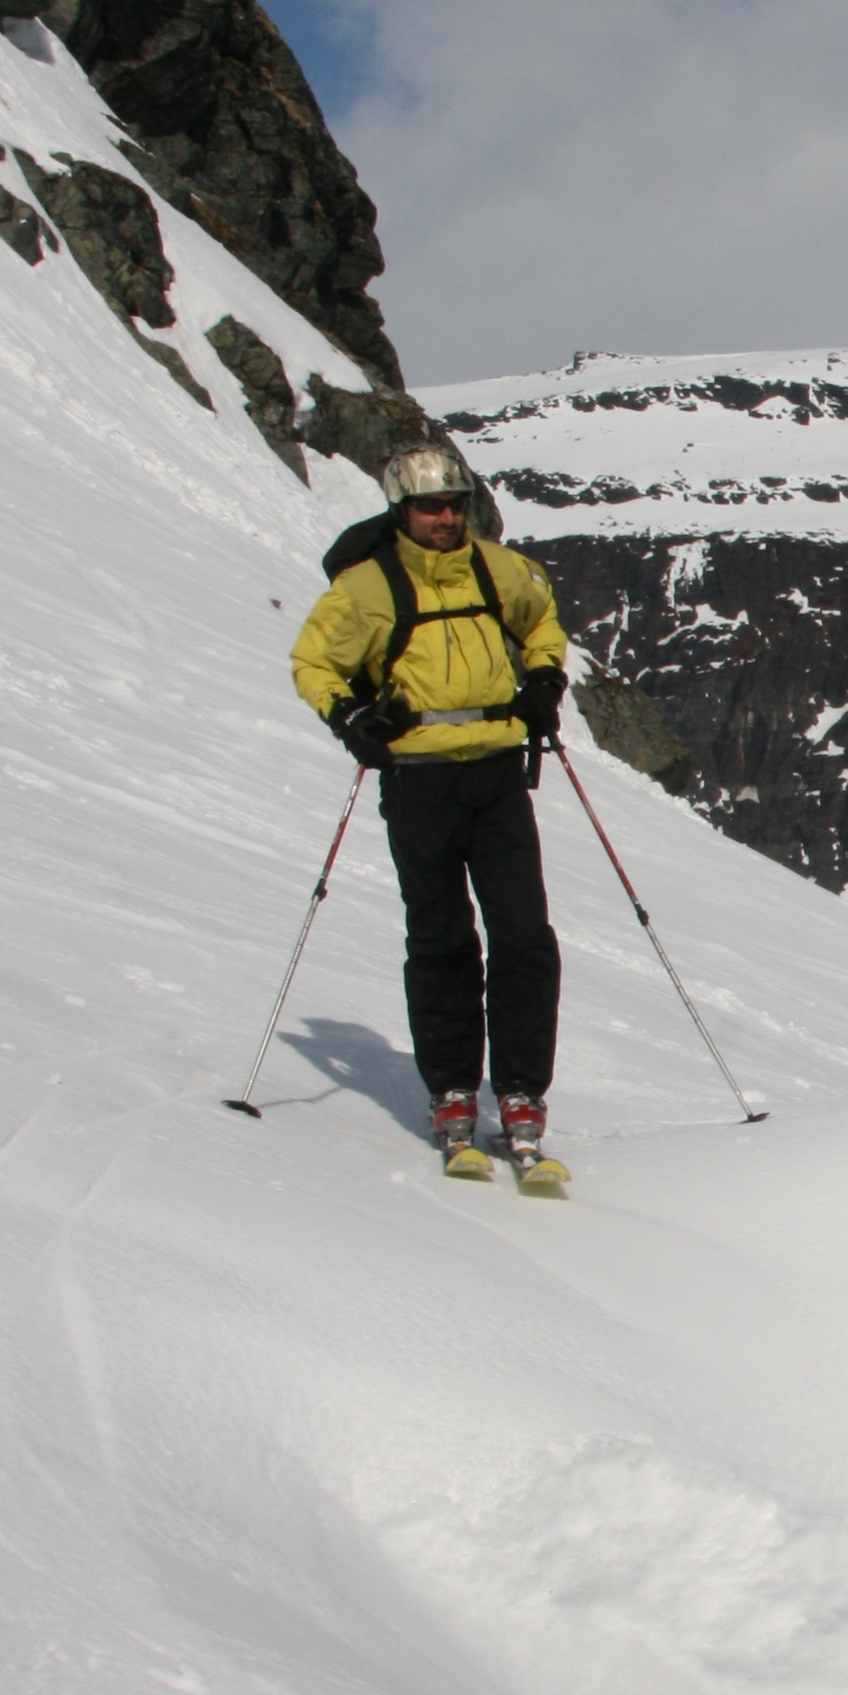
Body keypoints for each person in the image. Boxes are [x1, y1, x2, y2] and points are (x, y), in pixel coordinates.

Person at [287, 445, 572, 1170]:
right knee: (443, 936)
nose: (446, 519)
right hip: (419, 779)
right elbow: (315, 662)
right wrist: (349, 718)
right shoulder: (367, 587)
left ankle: (519, 1092)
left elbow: (543, 624)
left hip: (499, 773)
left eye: (456, 505)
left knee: (523, 937)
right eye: (431, 508)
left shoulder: (498, 570)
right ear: (402, 510)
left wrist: (543, 680)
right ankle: (452, 1088)